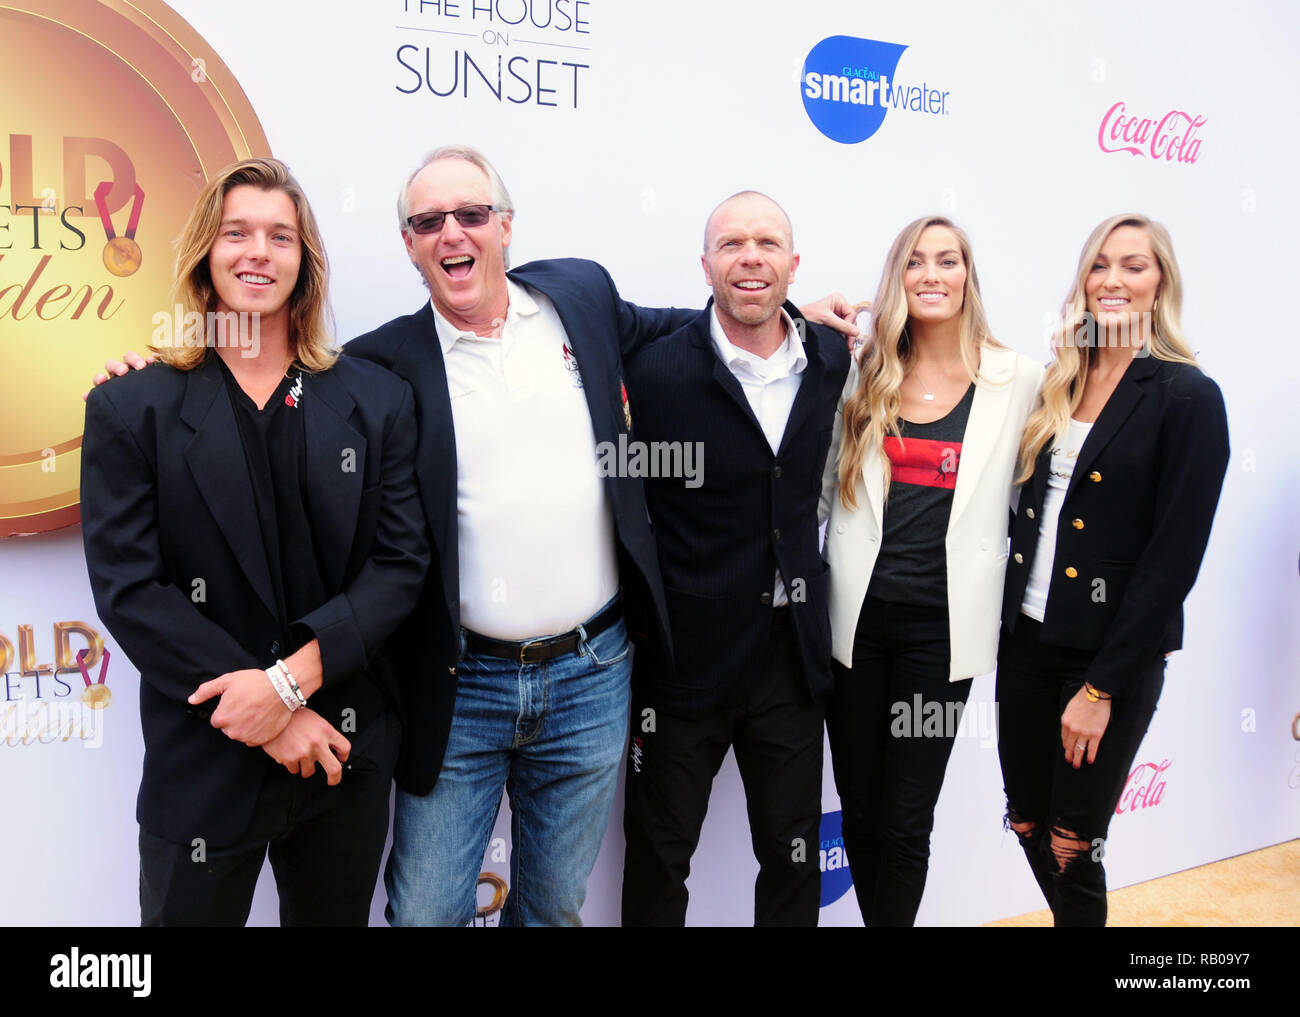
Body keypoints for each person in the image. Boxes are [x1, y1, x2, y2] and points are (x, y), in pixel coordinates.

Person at [80, 157, 428, 926]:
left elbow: (398, 568)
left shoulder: (375, 400)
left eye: (281, 236)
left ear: (306, 262)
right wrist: (263, 708)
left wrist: (287, 686)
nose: (257, 252)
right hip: (204, 757)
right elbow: (131, 590)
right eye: (237, 232)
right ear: (207, 249)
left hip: (341, 751)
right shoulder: (132, 406)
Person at [619, 191, 850, 926]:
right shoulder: (653, 373)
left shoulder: (832, 358)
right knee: (658, 857)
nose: (751, 257)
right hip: (683, 663)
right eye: (732, 244)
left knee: (791, 857)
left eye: (768, 243)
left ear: (793, 263)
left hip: (790, 661)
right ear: (706, 264)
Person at [997, 213, 1229, 926]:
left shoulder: (1187, 396)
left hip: (1108, 661)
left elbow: (1173, 559)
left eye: (1134, 264)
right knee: (1031, 824)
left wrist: (1101, 685)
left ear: (1161, 282)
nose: (1114, 280)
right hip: (1027, 647)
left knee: (1073, 842)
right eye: (1100, 265)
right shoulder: (1057, 383)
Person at [820, 216, 1042, 926]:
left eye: (948, 260)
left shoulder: (1018, 380)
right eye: (915, 262)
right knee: (859, 805)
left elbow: (1040, 502)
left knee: (906, 817)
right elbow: (822, 485)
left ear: (968, 276)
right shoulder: (864, 372)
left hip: (942, 636)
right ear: (898, 279)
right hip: (856, 625)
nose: (932, 275)